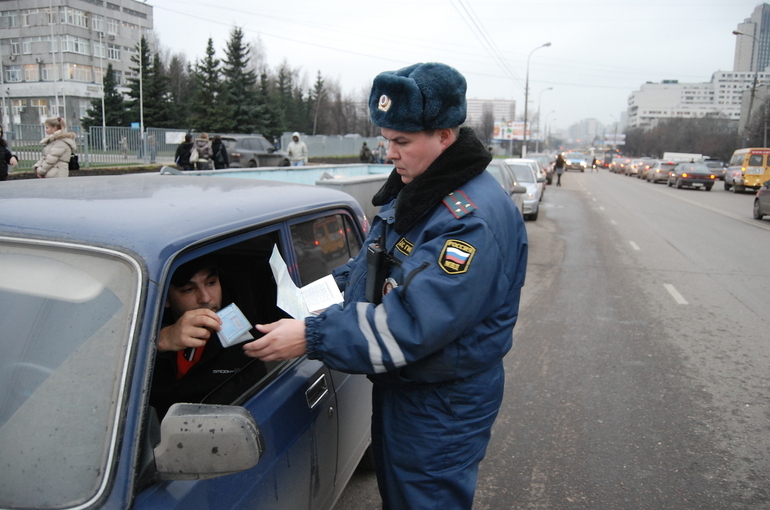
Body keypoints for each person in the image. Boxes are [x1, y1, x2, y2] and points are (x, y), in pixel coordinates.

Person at [242, 62, 528, 510]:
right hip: (411, 389)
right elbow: (376, 266)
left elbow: (415, 322)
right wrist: (311, 298)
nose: (388, 153)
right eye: (386, 138)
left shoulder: (468, 220)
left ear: (445, 135)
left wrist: (312, 335)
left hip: (441, 402)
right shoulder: (422, 190)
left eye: (401, 141)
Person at [150, 256, 266, 419]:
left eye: (211, 283)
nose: (205, 298)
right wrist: (159, 340)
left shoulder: (245, 335)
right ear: (166, 298)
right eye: (188, 289)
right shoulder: (144, 324)